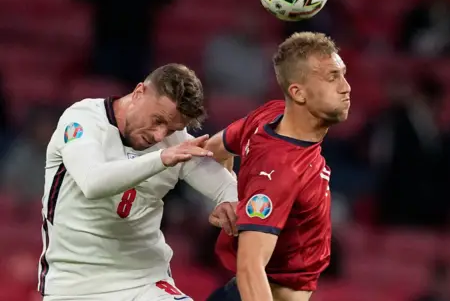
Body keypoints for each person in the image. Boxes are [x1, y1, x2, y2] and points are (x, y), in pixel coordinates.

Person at [38, 64, 239, 301]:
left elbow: (226, 187)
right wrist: (161, 158)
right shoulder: (83, 120)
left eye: (171, 128)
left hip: (145, 281)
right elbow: (92, 182)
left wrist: (230, 203)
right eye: (157, 120)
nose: (159, 136)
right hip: (75, 286)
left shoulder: (175, 143)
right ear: (138, 92)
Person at [204, 32, 351, 301]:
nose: (346, 87)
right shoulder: (281, 169)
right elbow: (250, 269)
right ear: (298, 92)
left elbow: (212, 149)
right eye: (333, 77)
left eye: (343, 74)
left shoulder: (270, 115)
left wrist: (227, 197)